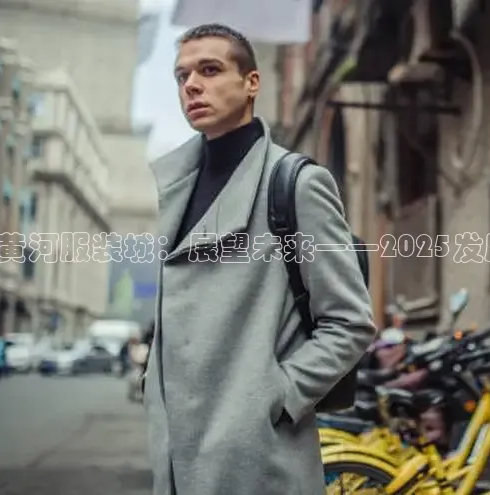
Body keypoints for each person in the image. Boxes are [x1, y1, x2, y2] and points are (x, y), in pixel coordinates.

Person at [143, 23, 376, 495]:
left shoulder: (295, 184)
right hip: (178, 454)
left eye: (210, 70)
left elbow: (349, 322)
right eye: (182, 76)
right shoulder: (178, 188)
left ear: (252, 82)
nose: (192, 85)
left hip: (258, 461)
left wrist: (272, 399)